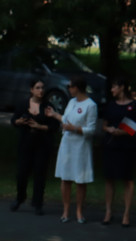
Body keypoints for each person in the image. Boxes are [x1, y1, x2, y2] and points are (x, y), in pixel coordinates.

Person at [49, 77, 97, 223]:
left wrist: (75, 129)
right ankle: (65, 210)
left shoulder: (91, 105)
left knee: (80, 180)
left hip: (81, 146)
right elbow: (66, 120)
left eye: (70, 86)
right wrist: (55, 115)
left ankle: (79, 211)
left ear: (77, 87)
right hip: (67, 144)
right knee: (66, 178)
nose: (69, 89)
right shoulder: (71, 102)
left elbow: (91, 129)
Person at [99, 77, 136, 227]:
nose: (112, 90)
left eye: (114, 87)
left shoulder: (135, 105)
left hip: (127, 146)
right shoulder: (110, 105)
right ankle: (108, 211)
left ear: (122, 87)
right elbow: (104, 125)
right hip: (111, 145)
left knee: (127, 179)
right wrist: (109, 129)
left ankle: (126, 214)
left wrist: (124, 132)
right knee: (109, 178)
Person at [9, 79, 58, 216]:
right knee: (22, 173)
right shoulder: (23, 104)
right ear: (32, 90)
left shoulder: (48, 106)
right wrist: (19, 121)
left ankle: (38, 203)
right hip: (26, 144)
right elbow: (14, 120)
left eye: (42, 87)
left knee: (40, 174)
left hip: (42, 144)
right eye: (37, 87)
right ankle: (20, 198)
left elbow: (54, 126)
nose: (41, 90)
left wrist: (39, 127)